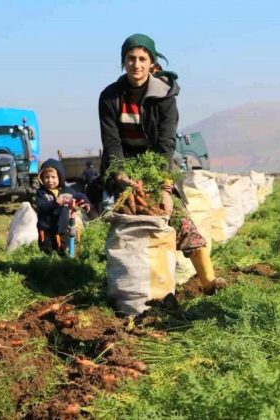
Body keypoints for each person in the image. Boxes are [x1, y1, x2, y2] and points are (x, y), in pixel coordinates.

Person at [98, 33, 223, 293]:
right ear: (123, 62)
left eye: (142, 59)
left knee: (178, 216)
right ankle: (126, 286)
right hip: (123, 168)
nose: (136, 64)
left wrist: (165, 188)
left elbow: (165, 146)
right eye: (130, 58)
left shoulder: (165, 97)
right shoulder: (110, 97)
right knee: (123, 217)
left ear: (151, 63)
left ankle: (209, 281)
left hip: (157, 166)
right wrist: (121, 177)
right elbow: (112, 144)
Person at [35, 159, 90, 255]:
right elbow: (41, 206)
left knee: (64, 252)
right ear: (41, 178)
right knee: (48, 254)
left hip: (63, 230)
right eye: (46, 177)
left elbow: (79, 196)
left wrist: (85, 203)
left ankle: (63, 265)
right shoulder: (41, 193)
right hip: (47, 231)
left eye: (53, 177)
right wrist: (55, 203)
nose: (50, 180)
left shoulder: (67, 191)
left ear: (60, 177)